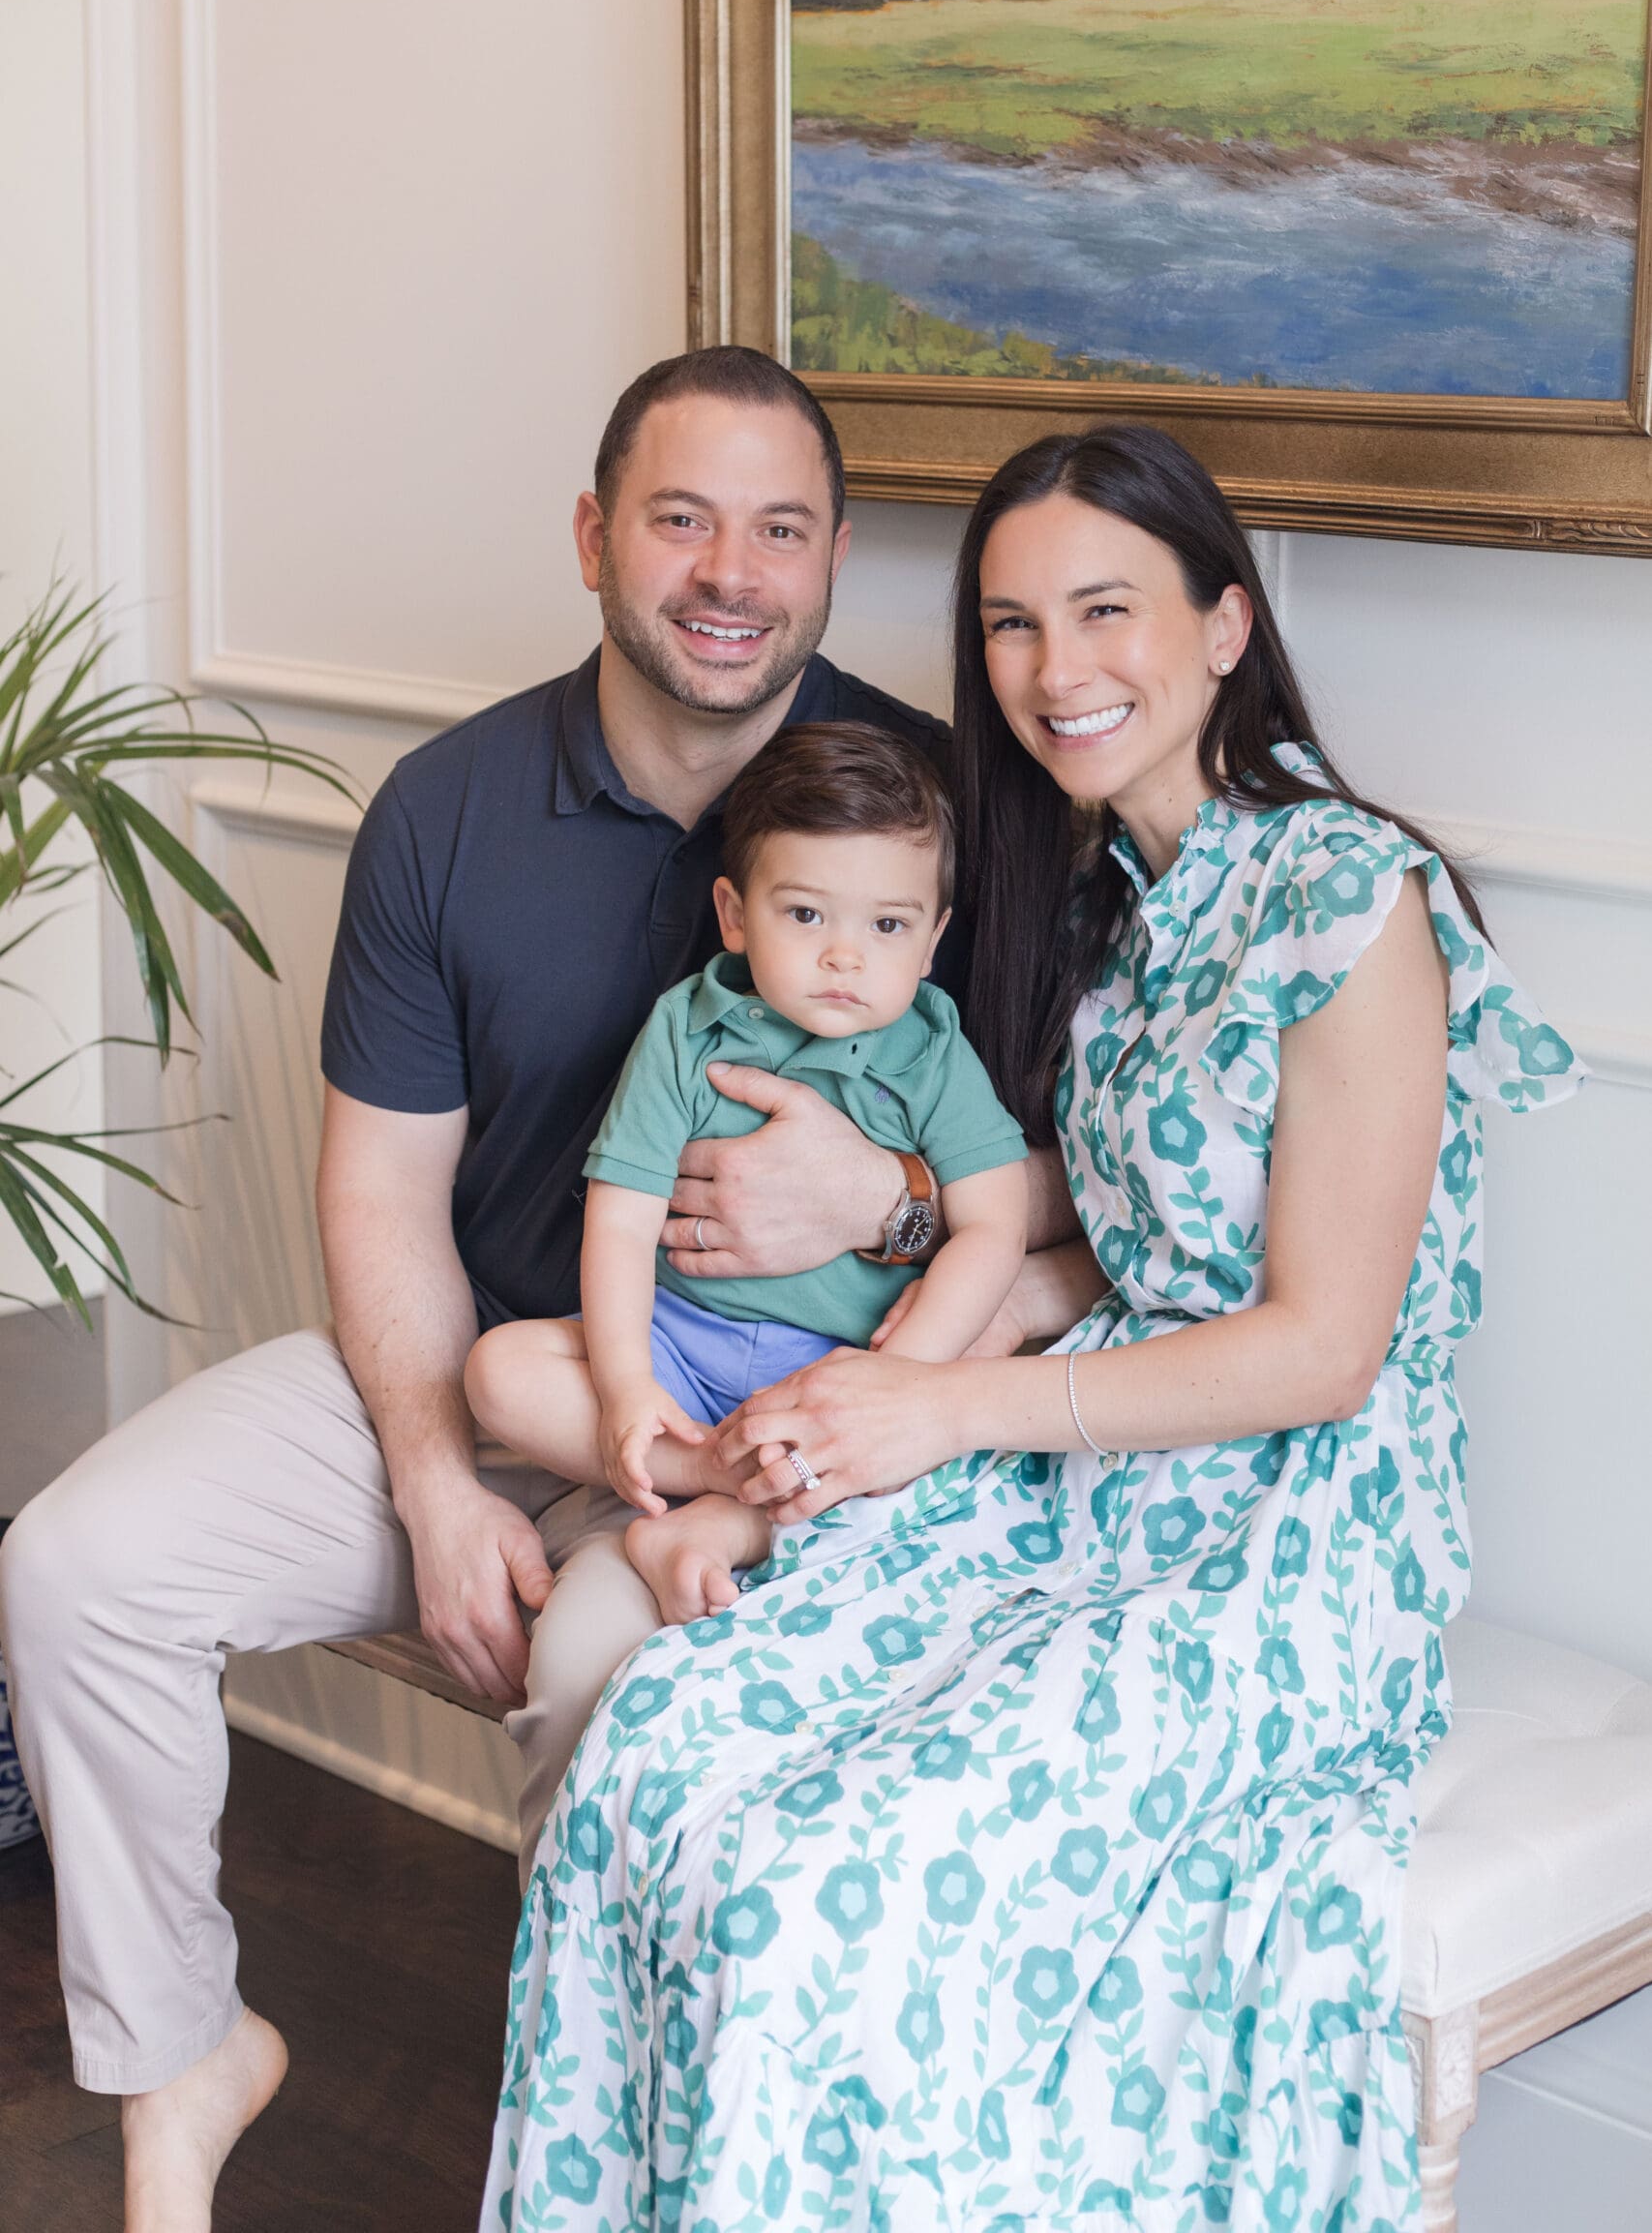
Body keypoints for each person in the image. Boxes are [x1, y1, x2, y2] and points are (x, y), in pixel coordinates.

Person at [0, 347, 1077, 2233]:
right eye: (680, 516)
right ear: (593, 536)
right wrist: (427, 1475)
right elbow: (380, 1189)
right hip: (498, 1371)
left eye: (779, 526)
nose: (728, 569)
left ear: (831, 562)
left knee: (618, 1690)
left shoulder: (931, 817)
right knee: (78, 1564)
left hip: (785, 1424)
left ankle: (617, 2169)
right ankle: (183, 2053)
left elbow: (1080, 1200)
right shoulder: (450, 804)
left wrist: (887, 1199)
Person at [482, 422, 1583, 2232]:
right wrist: (917, 1357)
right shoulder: (1108, 900)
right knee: (671, 1755)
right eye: (1007, 625)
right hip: (1090, 1448)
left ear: (1224, 625)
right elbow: (1098, 1245)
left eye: (1103, 612)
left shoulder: (1342, 902)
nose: (1052, 672)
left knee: (826, 1877)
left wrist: (956, 1409)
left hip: (1287, 1526)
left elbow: (1320, 1349)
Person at [466, 721, 1028, 1623]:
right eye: (805, 915)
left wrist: (901, 1376)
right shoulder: (687, 1030)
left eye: (887, 926)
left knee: (939, 1444)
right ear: (734, 914)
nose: (845, 956)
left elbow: (994, 1223)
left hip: (839, 1363)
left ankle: (722, 1524)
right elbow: (619, 1219)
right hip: (681, 1343)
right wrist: (626, 1390)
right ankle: (697, 1467)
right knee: (499, 1372)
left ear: (931, 941)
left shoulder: (929, 1048)